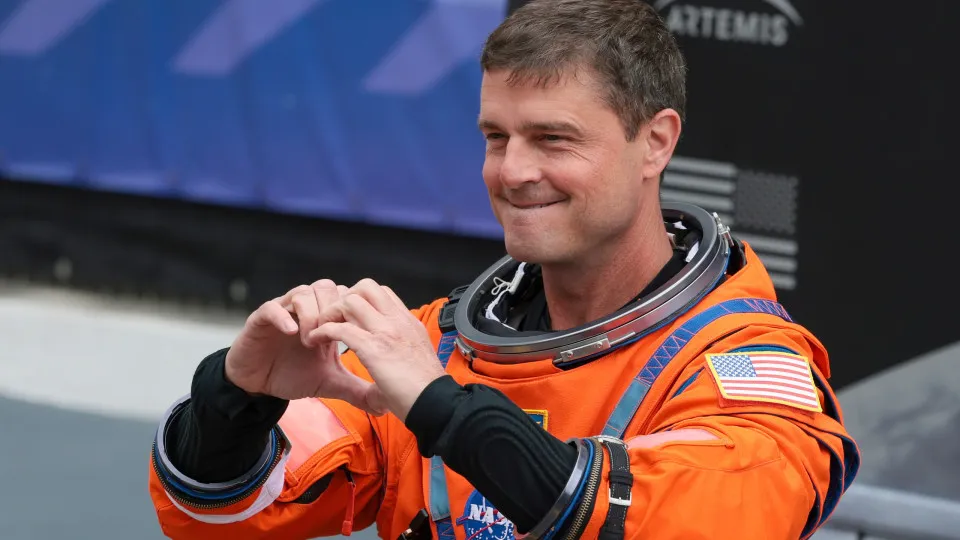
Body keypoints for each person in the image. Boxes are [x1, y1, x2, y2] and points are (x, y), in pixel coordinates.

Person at [148, 1, 859, 538]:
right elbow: (221, 514)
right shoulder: (437, 348)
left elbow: (699, 520)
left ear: (655, 143)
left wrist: (445, 410)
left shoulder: (746, 366)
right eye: (496, 137)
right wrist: (236, 399)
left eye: (552, 139)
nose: (512, 171)